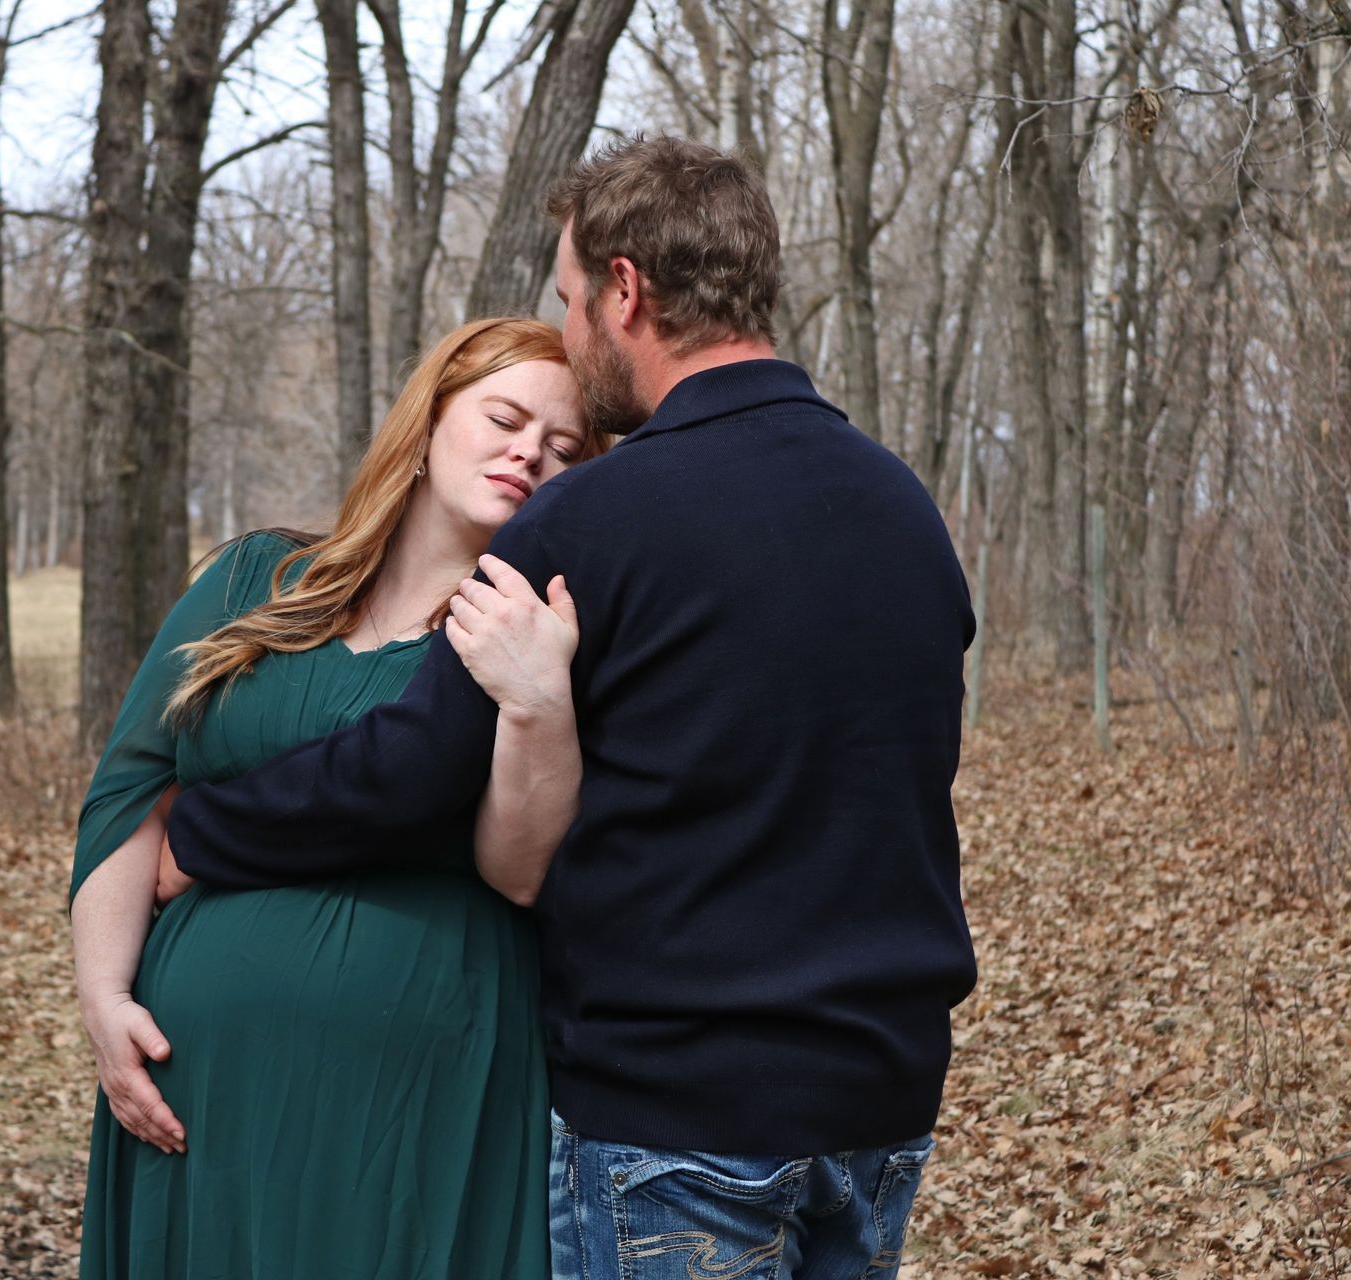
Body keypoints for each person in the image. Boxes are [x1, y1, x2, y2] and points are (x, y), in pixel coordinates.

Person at [162, 136, 979, 1280]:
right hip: (883, 1096)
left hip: (680, 1110)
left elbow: (411, 768)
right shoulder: (903, 511)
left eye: (568, 296)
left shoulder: (596, 518)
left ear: (626, 289)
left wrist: (200, 832)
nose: (570, 325)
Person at [68, 316, 609, 1279]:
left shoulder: (532, 634)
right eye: (505, 416)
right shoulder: (254, 579)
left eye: (564, 448)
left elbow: (521, 864)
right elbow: (132, 789)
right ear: (431, 417)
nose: (530, 452)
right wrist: (106, 1000)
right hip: (200, 1090)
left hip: (417, 1101)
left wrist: (538, 700)